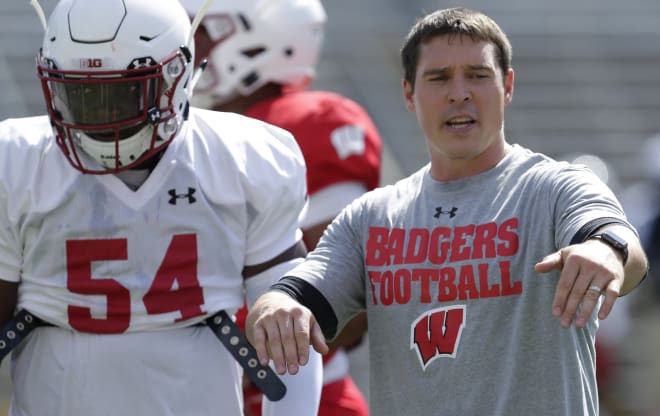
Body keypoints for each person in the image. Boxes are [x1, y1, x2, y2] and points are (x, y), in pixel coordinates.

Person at [245, 7, 650, 416]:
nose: (459, 93)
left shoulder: (555, 187)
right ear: (408, 93)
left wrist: (605, 252)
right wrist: (276, 305)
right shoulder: (370, 218)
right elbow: (301, 293)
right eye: (439, 78)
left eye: (477, 75)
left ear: (507, 86)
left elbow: (615, 238)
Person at [0, 0, 323, 415]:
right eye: (82, 92)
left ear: (178, 74)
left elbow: (289, 335)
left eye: (123, 91)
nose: (102, 117)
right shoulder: (17, 161)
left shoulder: (245, 158)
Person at [178, 1, 382, 415]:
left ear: (257, 41)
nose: (188, 48)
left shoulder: (302, 124)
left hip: (298, 397)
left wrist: (241, 363)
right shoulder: (187, 131)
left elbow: (350, 289)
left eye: (202, 34)